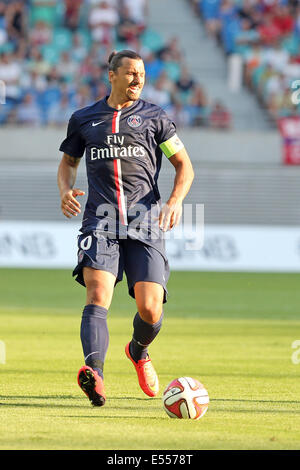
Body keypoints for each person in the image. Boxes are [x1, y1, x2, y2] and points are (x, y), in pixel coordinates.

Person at [57, 50, 194, 407]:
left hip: (145, 222)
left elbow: (184, 166)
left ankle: (138, 350)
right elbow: (67, 164)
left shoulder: (154, 117)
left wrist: (176, 200)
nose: (138, 80)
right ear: (112, 76)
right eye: (131, 74)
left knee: (150, 310)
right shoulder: (84, 118)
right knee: (97, 295)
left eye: (142, 75)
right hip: (99, 221)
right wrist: (65, 190)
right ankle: (95, 374)